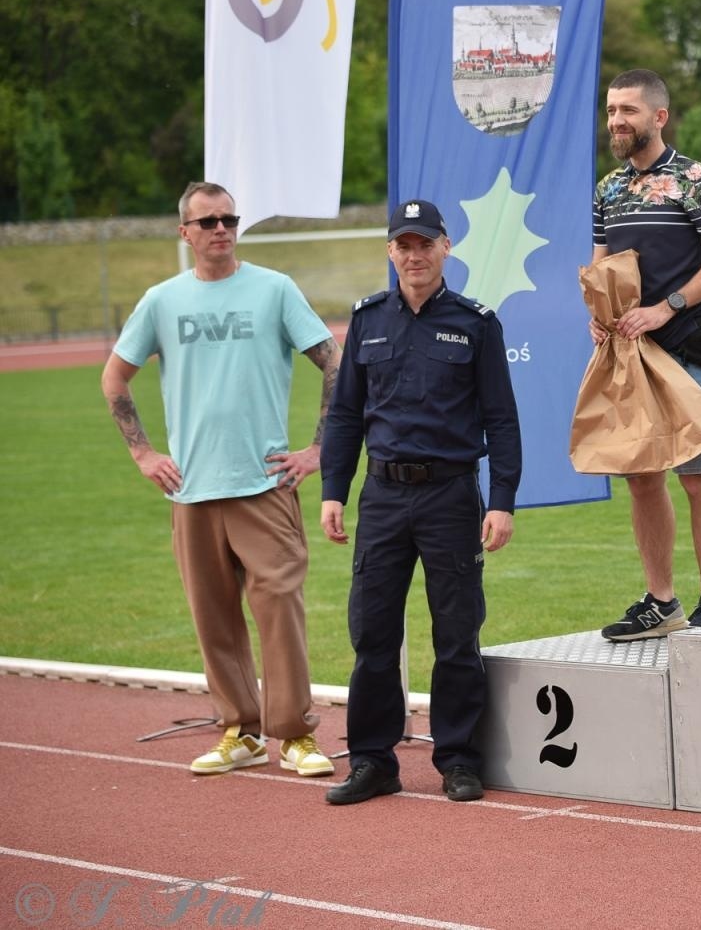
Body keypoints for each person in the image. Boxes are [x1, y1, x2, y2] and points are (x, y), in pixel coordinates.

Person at [100, 181, 339, 778]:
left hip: (263, 485)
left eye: (229, 219)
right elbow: (115, 380)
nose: (220, 229)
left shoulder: (274, 289)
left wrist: (316, 448)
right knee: (214, 619)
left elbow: (335, 364)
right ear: (185, 232)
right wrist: (143, 455)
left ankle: (296, 737)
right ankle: (240, 731)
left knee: (280, 611)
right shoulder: (161, 300)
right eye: (206, 221)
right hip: (192, 489)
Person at [319, 198, 521, 805]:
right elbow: (346, 415)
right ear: (390, 251)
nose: (414, 255)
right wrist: (334, 490)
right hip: (381, 497)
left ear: (445, 248)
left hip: (450, 495)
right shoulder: (367, 319)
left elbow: (501, 419)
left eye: (425, 243)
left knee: (456, 633)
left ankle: (458, 759)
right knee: (373, 634)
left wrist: (502, 499)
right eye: (403, 245)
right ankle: (373, 762)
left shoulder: (476, 322)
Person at [591, 68, 701, 640]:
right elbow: (602, 263)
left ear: (659, 116)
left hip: (681, 349)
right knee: (641, 480)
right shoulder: (607, 188)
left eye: (628, 110)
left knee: (699, 476)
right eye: (610, 111)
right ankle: (662, 601)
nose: (617, 121)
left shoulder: (697, 180)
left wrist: (667, 307)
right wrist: (598, 316)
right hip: (627, 357)